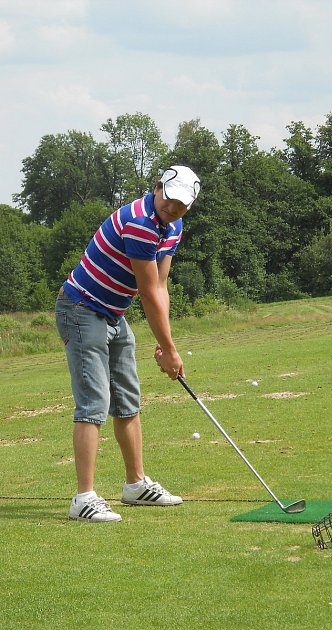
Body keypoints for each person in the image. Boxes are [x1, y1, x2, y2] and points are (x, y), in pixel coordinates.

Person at [55, 165, 201, 522]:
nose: (173, 208)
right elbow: (148, 290)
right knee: (93, 403)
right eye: (170, 199)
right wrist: (168, 348)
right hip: (82, 308)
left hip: (113, 314)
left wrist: (164, 341)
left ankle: (135, 486)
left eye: (181, 204)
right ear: (157, 188)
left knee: (127, 400)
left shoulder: (174, 226)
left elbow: (161, 286)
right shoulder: (140, 223)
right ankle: (83, 499)